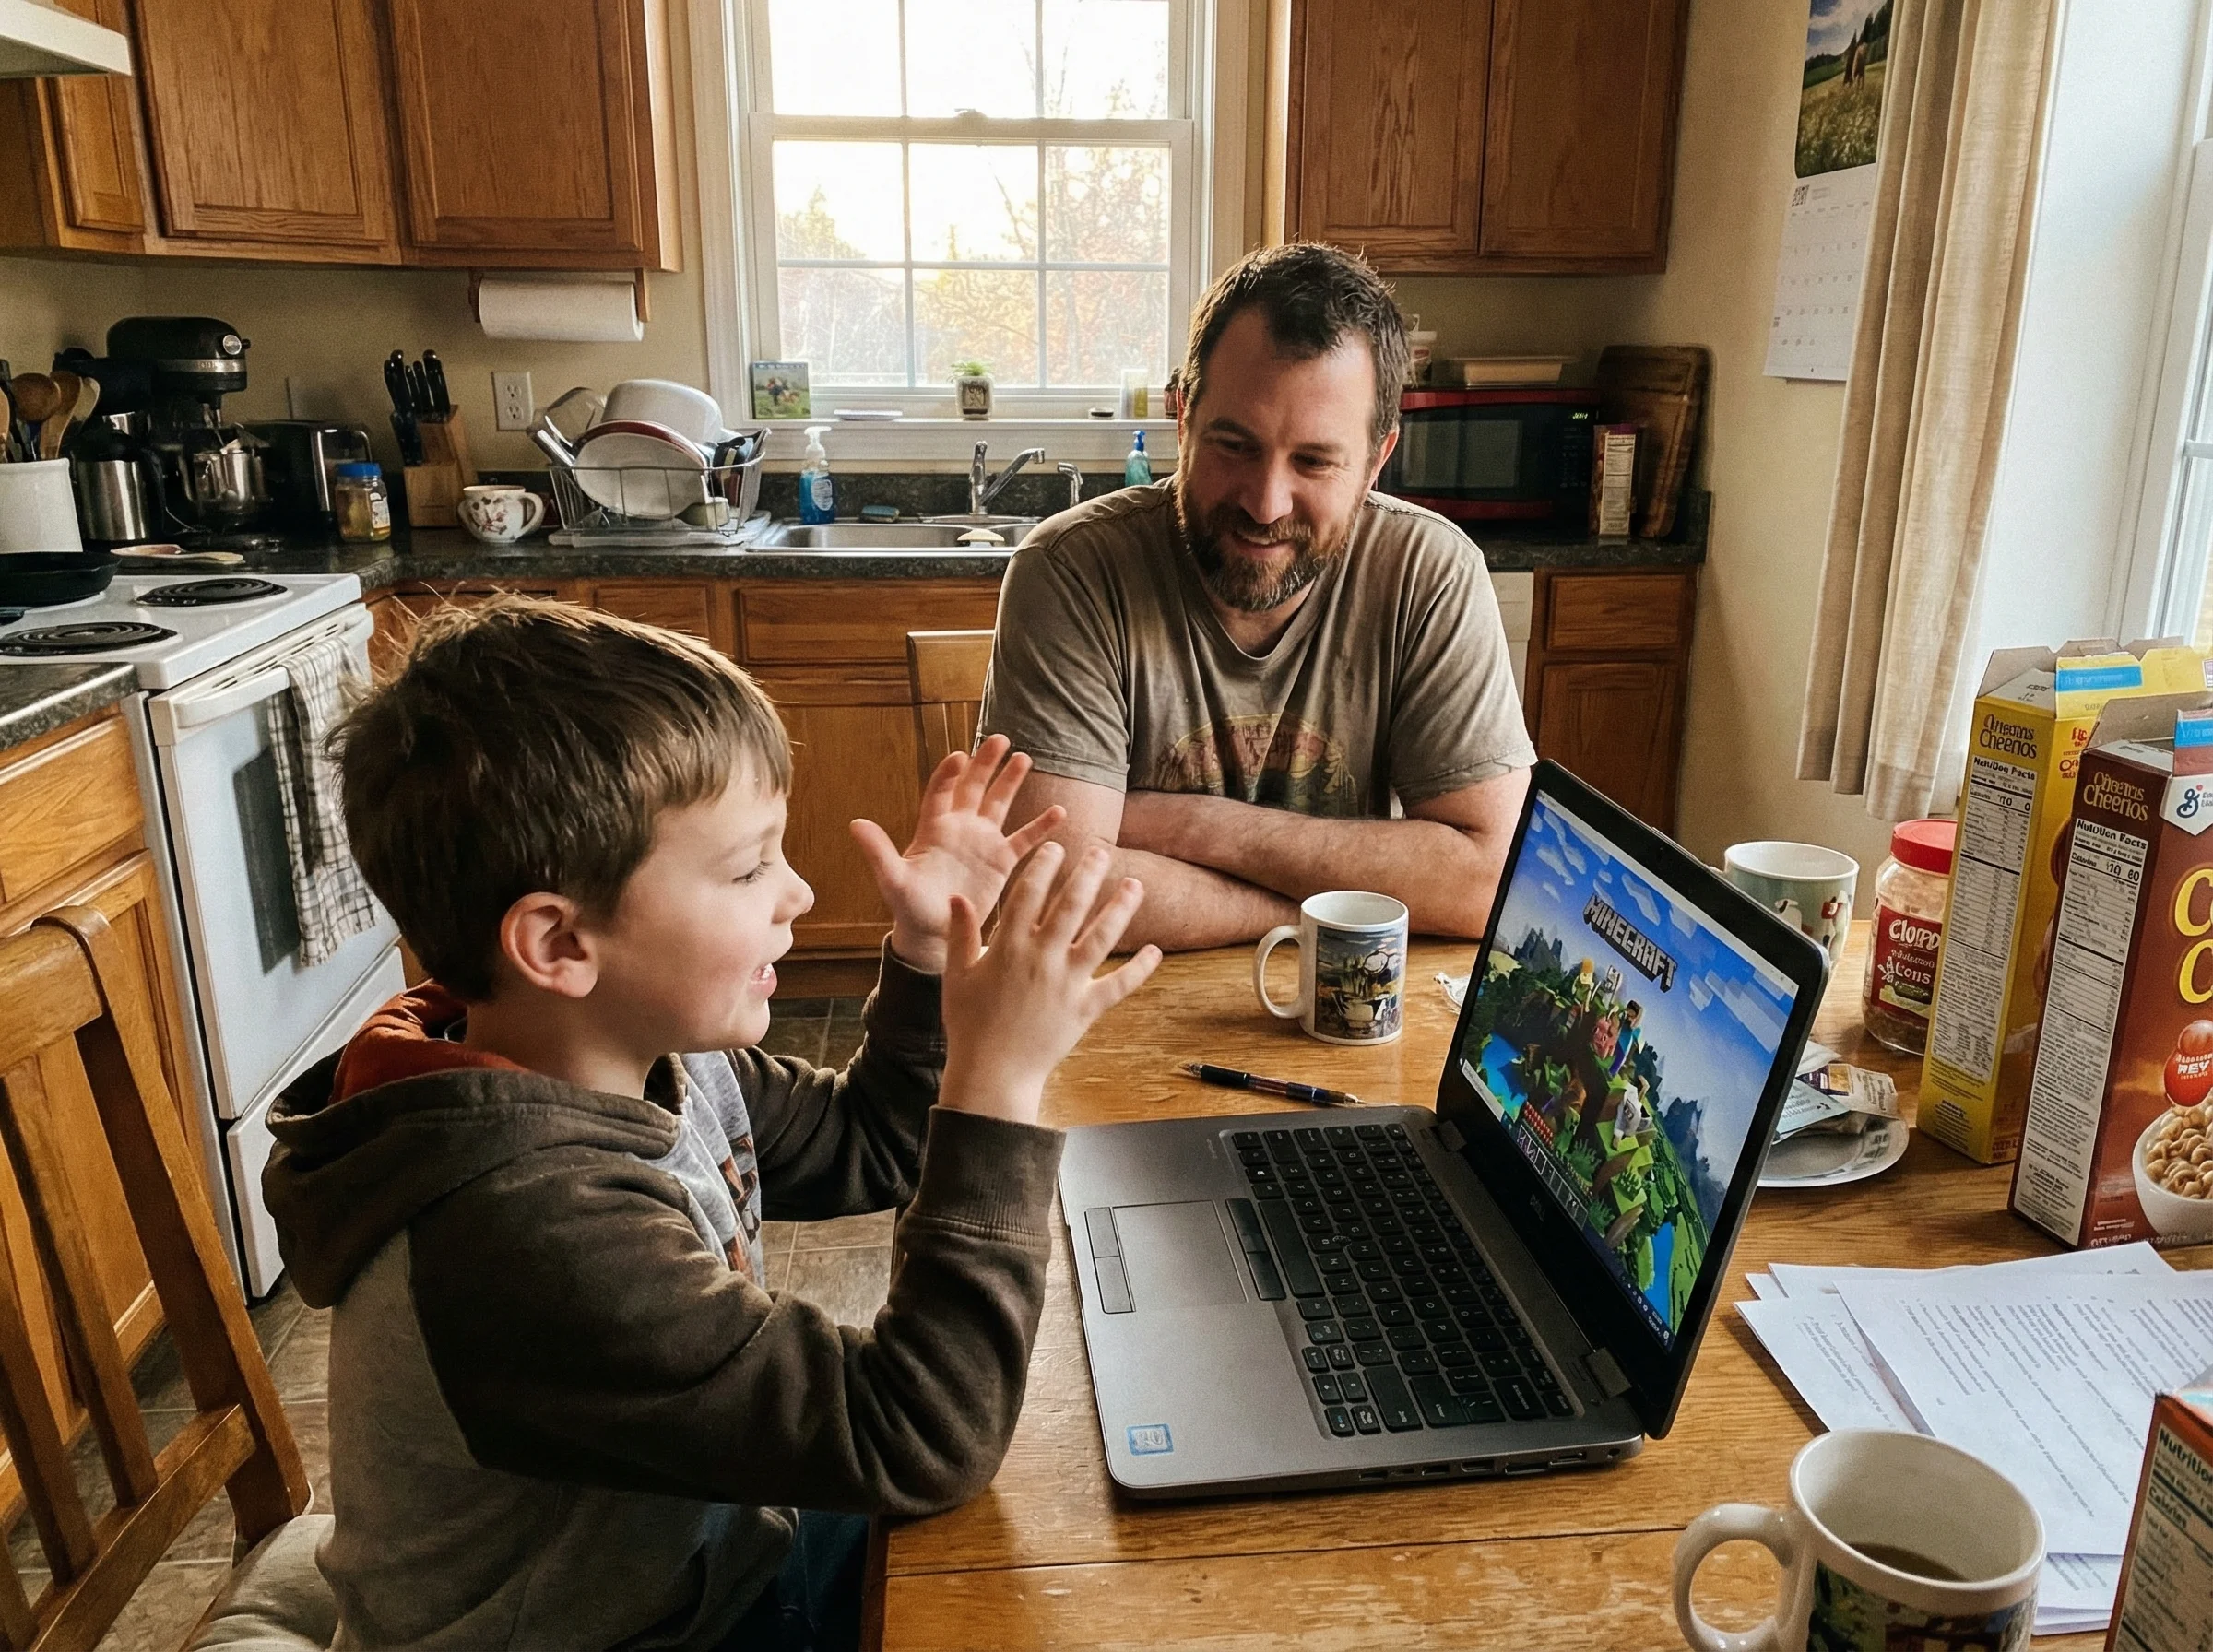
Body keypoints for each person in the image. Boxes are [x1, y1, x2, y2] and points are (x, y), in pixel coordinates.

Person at [263, 597, 1159, 1652]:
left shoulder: (640, 1051)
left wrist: (924, 956)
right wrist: (997, 1084)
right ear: (558, 943)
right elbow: (921, 1435)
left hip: (708, 1562)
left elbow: (873, 1140)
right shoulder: (516, 1227)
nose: (801, 891)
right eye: (747, 868)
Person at [979, 242, 1535, 950]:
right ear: (1183, 418)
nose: (1267, 503)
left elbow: (1491, 885)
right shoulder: (1071, 570)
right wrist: (1336, 913)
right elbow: (1052, 895)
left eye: (1314, 460)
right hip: (1114, 1022)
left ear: (1375, 462)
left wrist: (1191, 827)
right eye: (1234, 446)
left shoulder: (1431, 571)